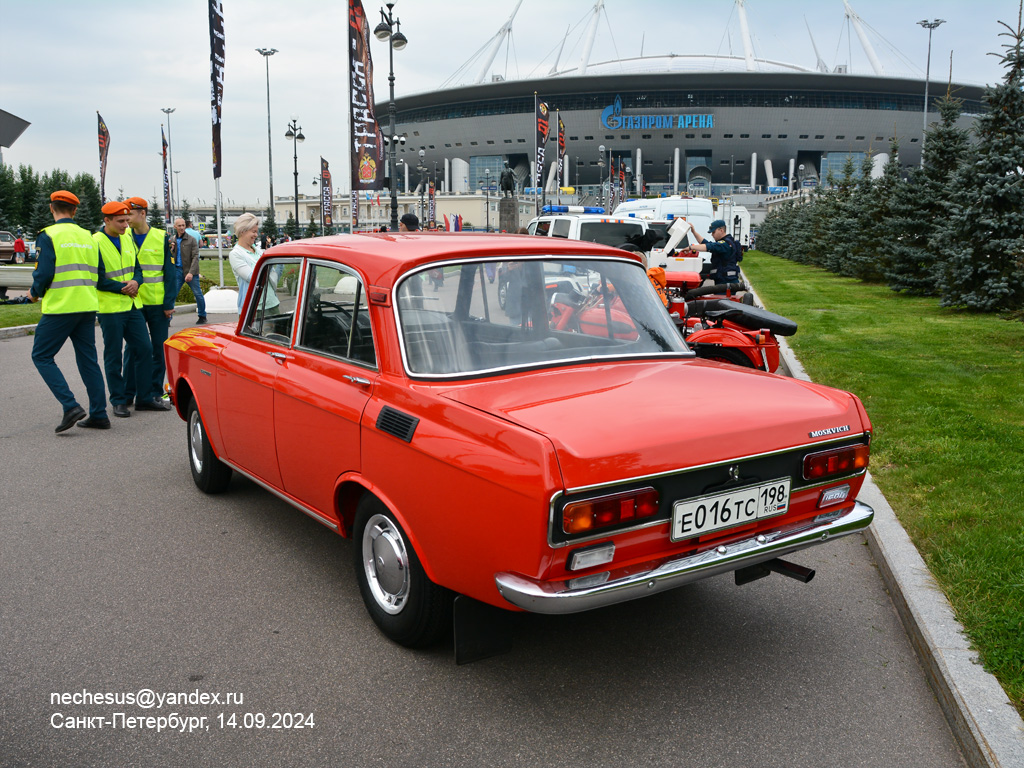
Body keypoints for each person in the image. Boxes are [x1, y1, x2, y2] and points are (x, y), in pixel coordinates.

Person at [28, 190, 110, 432]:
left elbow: (43, 273)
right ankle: (99, 414)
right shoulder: (88, 237)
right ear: (74, 211)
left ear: (51, 208)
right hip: (86, 305)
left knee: (41, 356)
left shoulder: (48, 235)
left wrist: (34, 292)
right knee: (88, 361)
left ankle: (70, 405)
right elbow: (99, 273)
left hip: (61, 307)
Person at [94, 200, 162, 416]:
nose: (125, 225)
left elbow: (138, 269)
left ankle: (144, 398)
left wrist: (136, 281)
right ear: (107, 220)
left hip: (133, 305)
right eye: (120, 221)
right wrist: (124, 287)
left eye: (126, 220)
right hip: (110, 308)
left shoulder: (127, 239)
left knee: (144, 349)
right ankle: (119, 400)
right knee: (113, 356)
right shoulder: (95, 242)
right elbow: (96, 279)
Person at [123, 197, 176, 407]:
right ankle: (129, 393)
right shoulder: (123, 236)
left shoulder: (162, 237)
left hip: (157, 303)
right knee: (132, 350)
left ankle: (154, 392)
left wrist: (169, 303)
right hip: (133, 303)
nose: (126, 218)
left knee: (157, 349)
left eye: (130, 214)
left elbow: (170, 273)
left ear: (142, 213)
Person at [229, 212, 278, 315]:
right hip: (253, 309)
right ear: (242, 231)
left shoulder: (259, 252)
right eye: (253, 231)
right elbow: (253, 277)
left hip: (272, 304)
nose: (256, 235)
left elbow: (273, 273)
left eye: (257, 231)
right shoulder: (236, 254)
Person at [171, 217, 207, 324]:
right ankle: (168, 318)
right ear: (175, 227)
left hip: (190, 271)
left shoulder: (191, 240)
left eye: (183, 225)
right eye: (179, 226)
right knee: (172, 294)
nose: (182, 228)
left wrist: (191, 273)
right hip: (177, 271)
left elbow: (195, 257)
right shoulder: (172, 239)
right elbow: (168, 256)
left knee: (198, 294)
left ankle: (202, 315)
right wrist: (170, 249)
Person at [686, 218, 742, 285]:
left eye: (713, 232)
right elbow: (705, 243)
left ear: (721, 230)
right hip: (724, 281)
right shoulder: (724, 243)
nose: (712, 235)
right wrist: (693, 232)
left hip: (726, 283)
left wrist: (690, 247)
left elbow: (708, 247)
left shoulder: (725, 244)